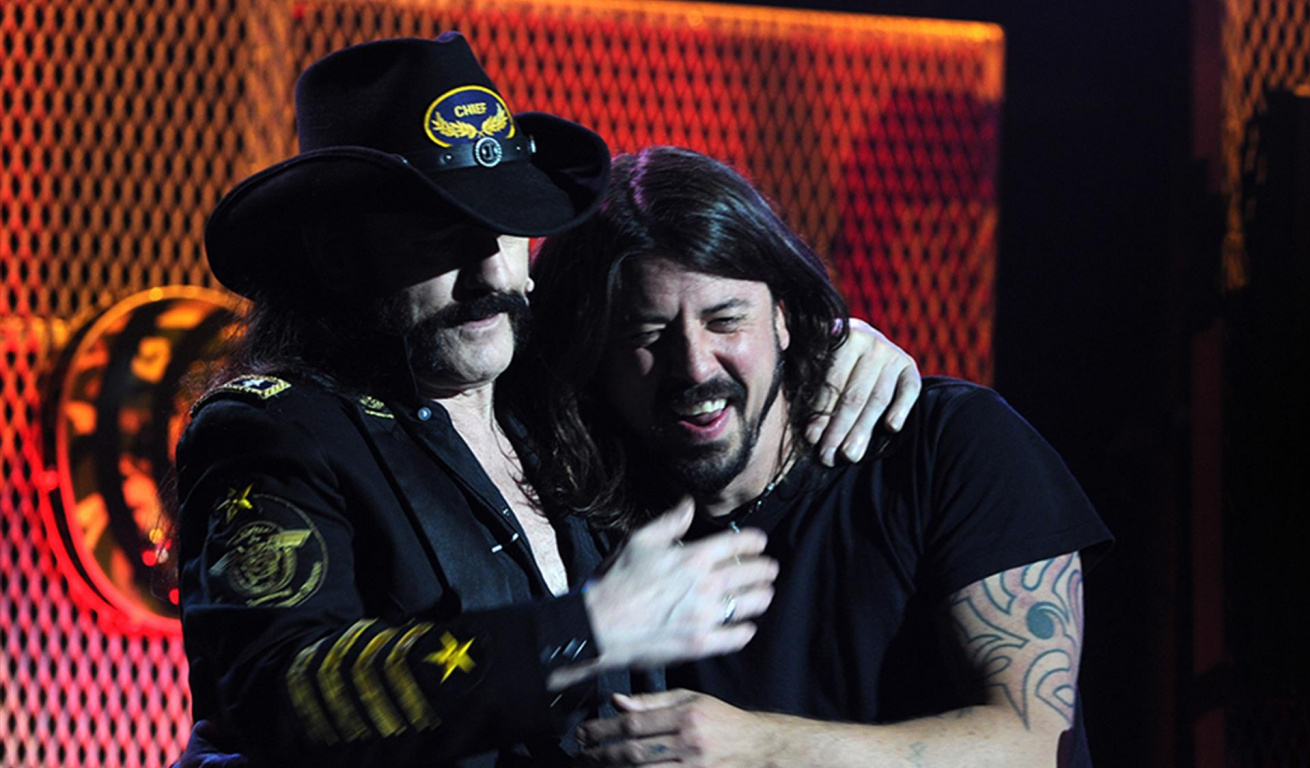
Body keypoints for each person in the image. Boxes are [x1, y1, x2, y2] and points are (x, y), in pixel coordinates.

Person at [176, 34, 919, 768]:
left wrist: (832, 349)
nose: (488, 275)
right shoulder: (276, 430)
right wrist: (587, 628)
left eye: (504, 226)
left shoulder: (557, 405)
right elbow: (276, 692)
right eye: (438, 238)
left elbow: (708, 372)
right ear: (339, 255)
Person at [520, 146, 1115, 767]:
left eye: (726, 322)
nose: (694, 367)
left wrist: (765, 750)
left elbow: (1034, 746)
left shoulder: (948, 443)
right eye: (648, 335)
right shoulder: (583, 507)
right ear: (594, 352)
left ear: (782, 316)